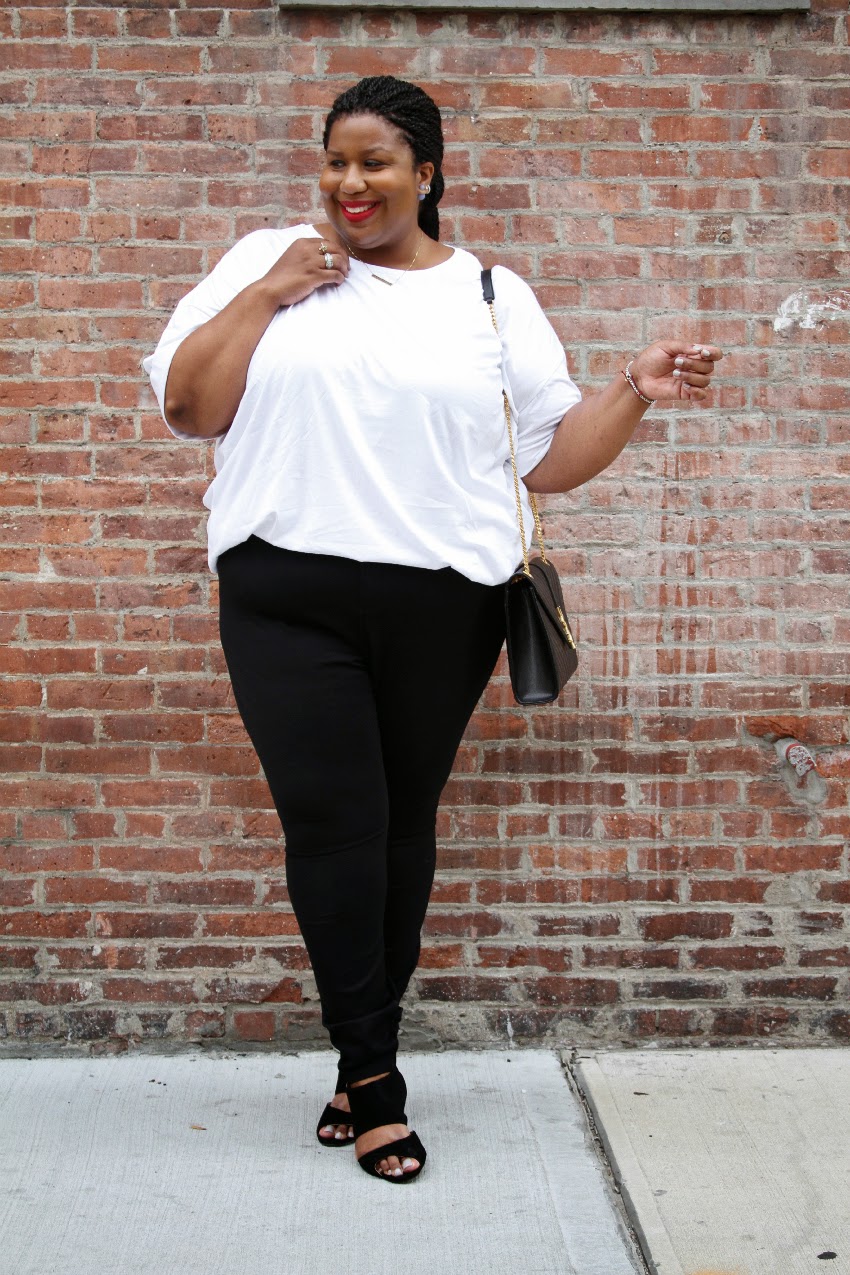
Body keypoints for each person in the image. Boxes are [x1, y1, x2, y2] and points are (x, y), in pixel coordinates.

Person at [142, 74, 722, 1185]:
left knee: (402, 828)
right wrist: (269, 292)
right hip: (285, 592)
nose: (350, 183)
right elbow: (190, 408)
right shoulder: (262, 262)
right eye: (335, 161)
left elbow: (548, 460)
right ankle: (376, 1081)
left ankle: (357, 1059)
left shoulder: (490, 295)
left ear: (426, 173)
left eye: (375, 162)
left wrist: (637, 387)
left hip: (445, 604)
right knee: (334, 823)